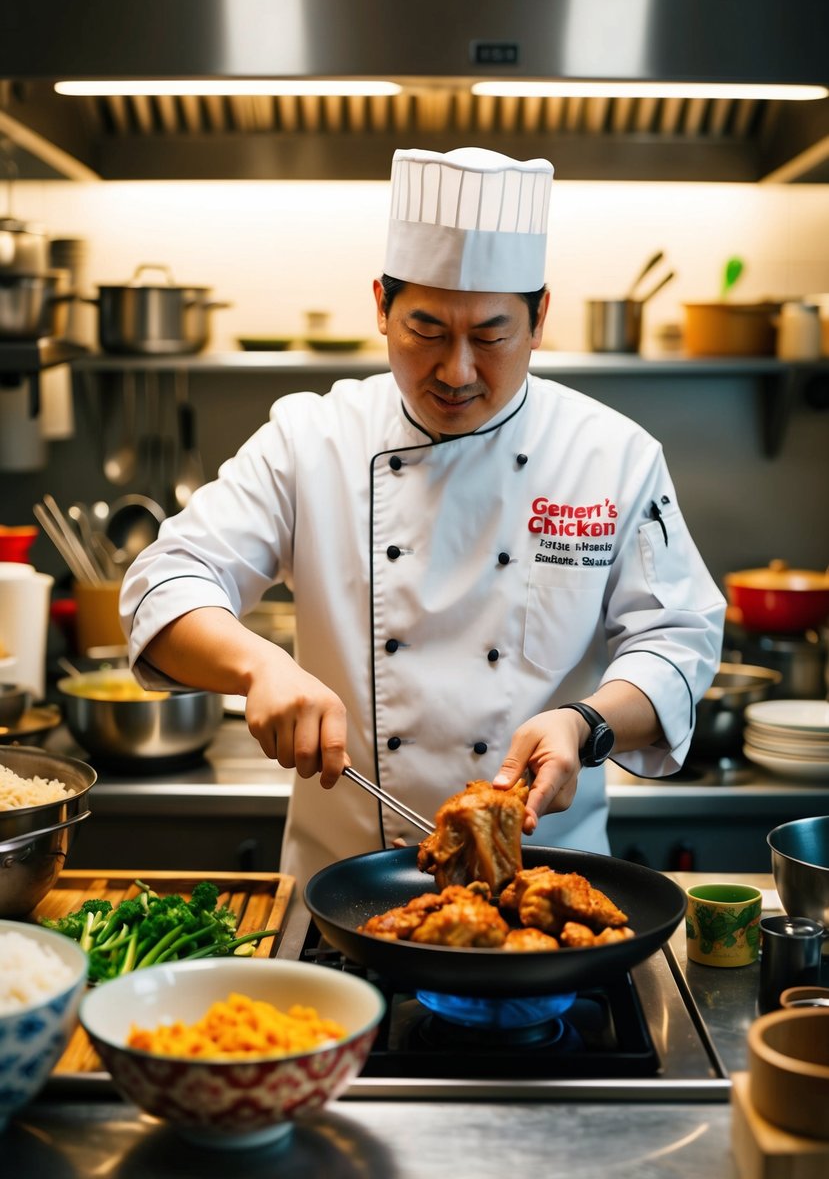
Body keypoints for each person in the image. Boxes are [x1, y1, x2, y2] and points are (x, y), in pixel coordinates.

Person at [121, 146, 725, 888]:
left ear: (539, 318)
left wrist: (584, 724)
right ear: (380, 305)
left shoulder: (611, 455)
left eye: (491, 335)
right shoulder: (313, 439)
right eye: (428, 330)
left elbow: (676, 639)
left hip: (549, 892)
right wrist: (260, 666)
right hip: (341, 895)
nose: (457, 371)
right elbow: (166, 578)